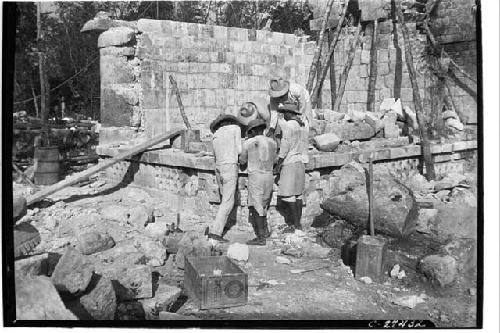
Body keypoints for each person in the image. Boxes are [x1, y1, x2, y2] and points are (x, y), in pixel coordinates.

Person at [239, 119, 277, 245]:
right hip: (269, 175)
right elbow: (275, 160)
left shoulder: (249, 142)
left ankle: (261, 237)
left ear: (253, 131)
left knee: (256, 206)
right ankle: (265, 231)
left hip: (256, 176)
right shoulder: (272, 142)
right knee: (264, 204)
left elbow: (242, 162)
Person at [273, 102, 309, 233]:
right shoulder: (302, 125)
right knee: (298, 194)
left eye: (285, 113)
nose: (283, 115)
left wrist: (278, 164)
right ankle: (298, 224)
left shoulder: (289, 126)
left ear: (289, 113)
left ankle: (295, 224)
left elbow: (285, 146)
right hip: (300, 161)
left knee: (288, 194)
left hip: (290, 161)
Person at [206, 114, 242, 242]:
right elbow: (239, 150)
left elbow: (214, 155)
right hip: (229, 165)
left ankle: (219, 225)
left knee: (223, 198)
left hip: (219, 166)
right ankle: (215, 233)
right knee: (228, 201)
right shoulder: (235, 129)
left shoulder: (215, 134)